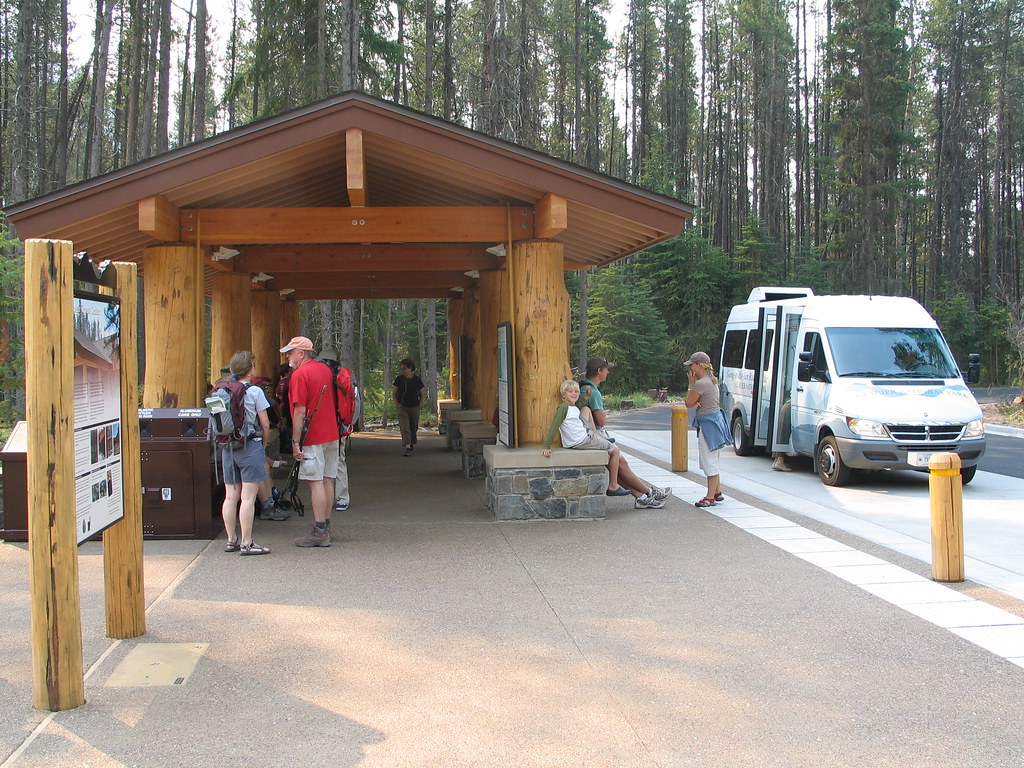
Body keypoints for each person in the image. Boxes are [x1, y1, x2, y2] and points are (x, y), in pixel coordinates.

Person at [542, 379, 671, 509]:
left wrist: (586, 396)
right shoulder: (563, 408)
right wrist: (546, 446)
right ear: (563, 395)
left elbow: (579, 406)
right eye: (570, 392)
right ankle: (616, 486)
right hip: (583, 439)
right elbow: (555, 426)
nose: (575, 393)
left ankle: (643, 497)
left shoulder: (572, 407)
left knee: (614, 461)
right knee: (615, 451)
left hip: (584, 436)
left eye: (576, 391)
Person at [281, 336, 340, 547]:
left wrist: (295, 442)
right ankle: (326, 525)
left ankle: (319, 531)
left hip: (312, 436)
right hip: (331, 434)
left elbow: (299, 411)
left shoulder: (299, 375)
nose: (288, 356)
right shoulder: (324, 369)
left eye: (290, 352)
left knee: (315, 483)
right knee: (327, 480)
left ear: (301, 353)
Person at [218, 351, 271, 556]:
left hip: (228, 446)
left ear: (232, 370)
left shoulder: (221, 390)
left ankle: (231, 540)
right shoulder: (255, 391)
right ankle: (247, 543)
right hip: (250, 445)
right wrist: (263, 445)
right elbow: (265, 423)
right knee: (248, 497)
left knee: (230, 497)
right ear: (251, 370)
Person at [684, 351, 731, 507]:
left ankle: (710, 497)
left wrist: (691, 384)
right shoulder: (711, 380)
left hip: (708, 425)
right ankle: (717, 492)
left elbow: (688, 403)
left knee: (708, 461)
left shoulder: (700, 383)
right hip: (715, 422)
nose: (691, 368)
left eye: (692, 365)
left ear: (698, 365)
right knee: (713, 458)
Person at [317, 349, 351, 513]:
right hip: (339, 426)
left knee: (322, 463)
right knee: (339, 463)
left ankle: (326, 498)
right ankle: (342, 498)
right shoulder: (341, 377)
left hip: (323, 426)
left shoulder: (322, 378)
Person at [392, 357, 425, 456]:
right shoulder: (399, 379)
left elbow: (422, 393)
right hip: (402, 406)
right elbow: (394, 393)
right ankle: (407, 446)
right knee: (404, 426)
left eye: (404, 368)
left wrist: (419, 405)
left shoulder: (417, 380)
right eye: (401, 368)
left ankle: (412, 443)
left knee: (413, 426)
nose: (403, 371)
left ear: (410, 368)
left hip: (414, 406)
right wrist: (397, 404)